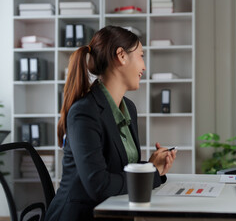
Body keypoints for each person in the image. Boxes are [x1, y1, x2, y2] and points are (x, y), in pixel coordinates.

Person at [45, 25, 176, 221]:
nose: (144, 66)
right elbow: (99, 185)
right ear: (121, 56)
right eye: (141, 56)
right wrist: (151, 174)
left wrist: (152, 166)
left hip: (113, 212)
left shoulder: (128, 107)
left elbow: (118, 169)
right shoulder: (85, 112)